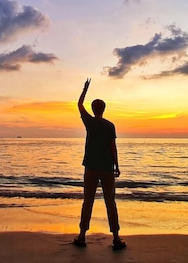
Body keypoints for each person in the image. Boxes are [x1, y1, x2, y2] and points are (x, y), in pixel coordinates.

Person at [73, 78, 126, 250]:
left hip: (91, 168)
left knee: (87, 202)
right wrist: (116, 165)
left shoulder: (89, 122)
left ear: (94, 109)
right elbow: (113, 147)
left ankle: (82, 236)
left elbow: (79, 104)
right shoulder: (110, 125)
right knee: (110, 202)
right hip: (107, 169)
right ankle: (116, 238)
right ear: (103, 109)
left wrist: (84, 89)